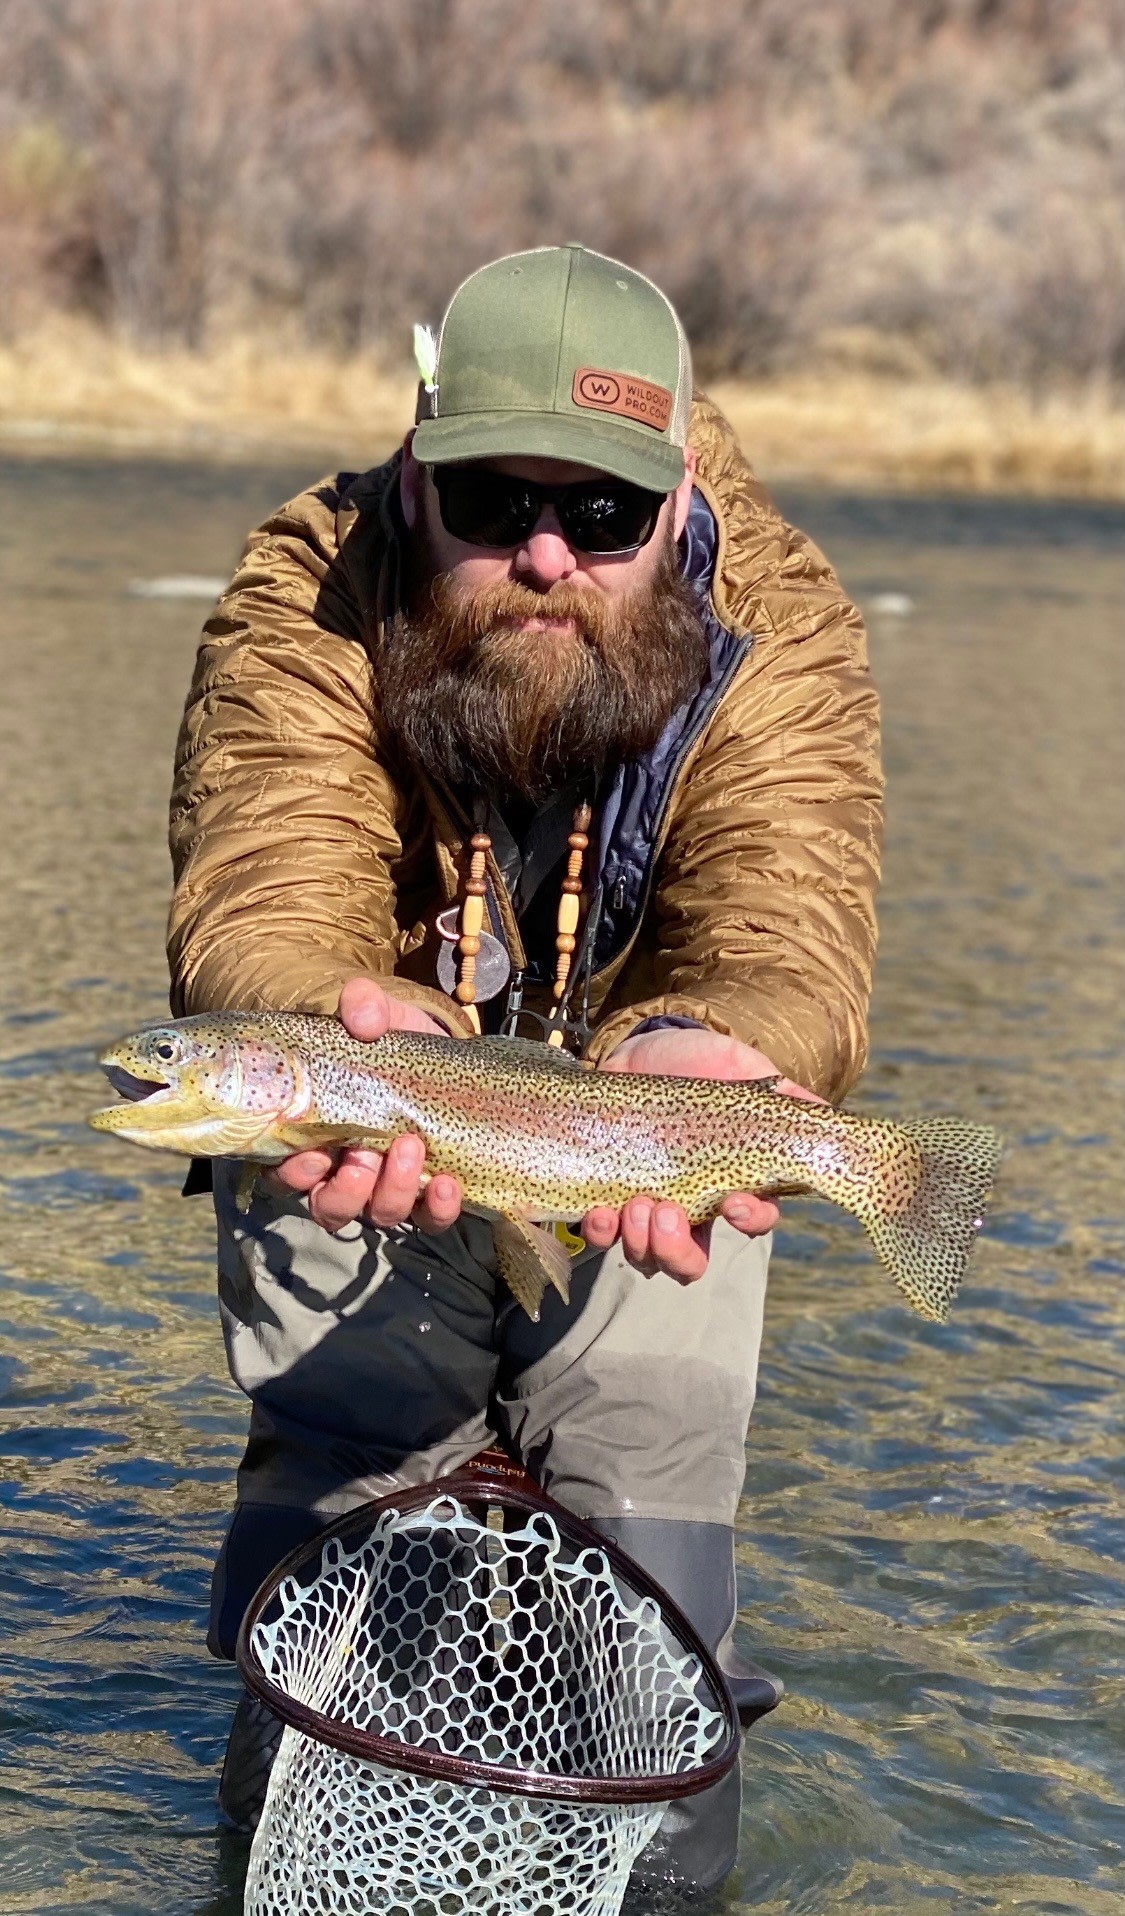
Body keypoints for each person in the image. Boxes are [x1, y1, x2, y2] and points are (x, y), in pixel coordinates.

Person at [168, 243, 882, 1892]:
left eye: (605, 517)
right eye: (492, 501)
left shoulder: (782, 623)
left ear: (679, 491)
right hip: (370, 1080)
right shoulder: (307, 589)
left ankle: (654, 1875)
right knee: (348, 1460)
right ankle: (286, 1840)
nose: (547, 553)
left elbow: (786, 907)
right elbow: (270, 871)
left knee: (646, 1499)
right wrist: (323, 1009)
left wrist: (739, 1049)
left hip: (637, 1117)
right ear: (415, 477)